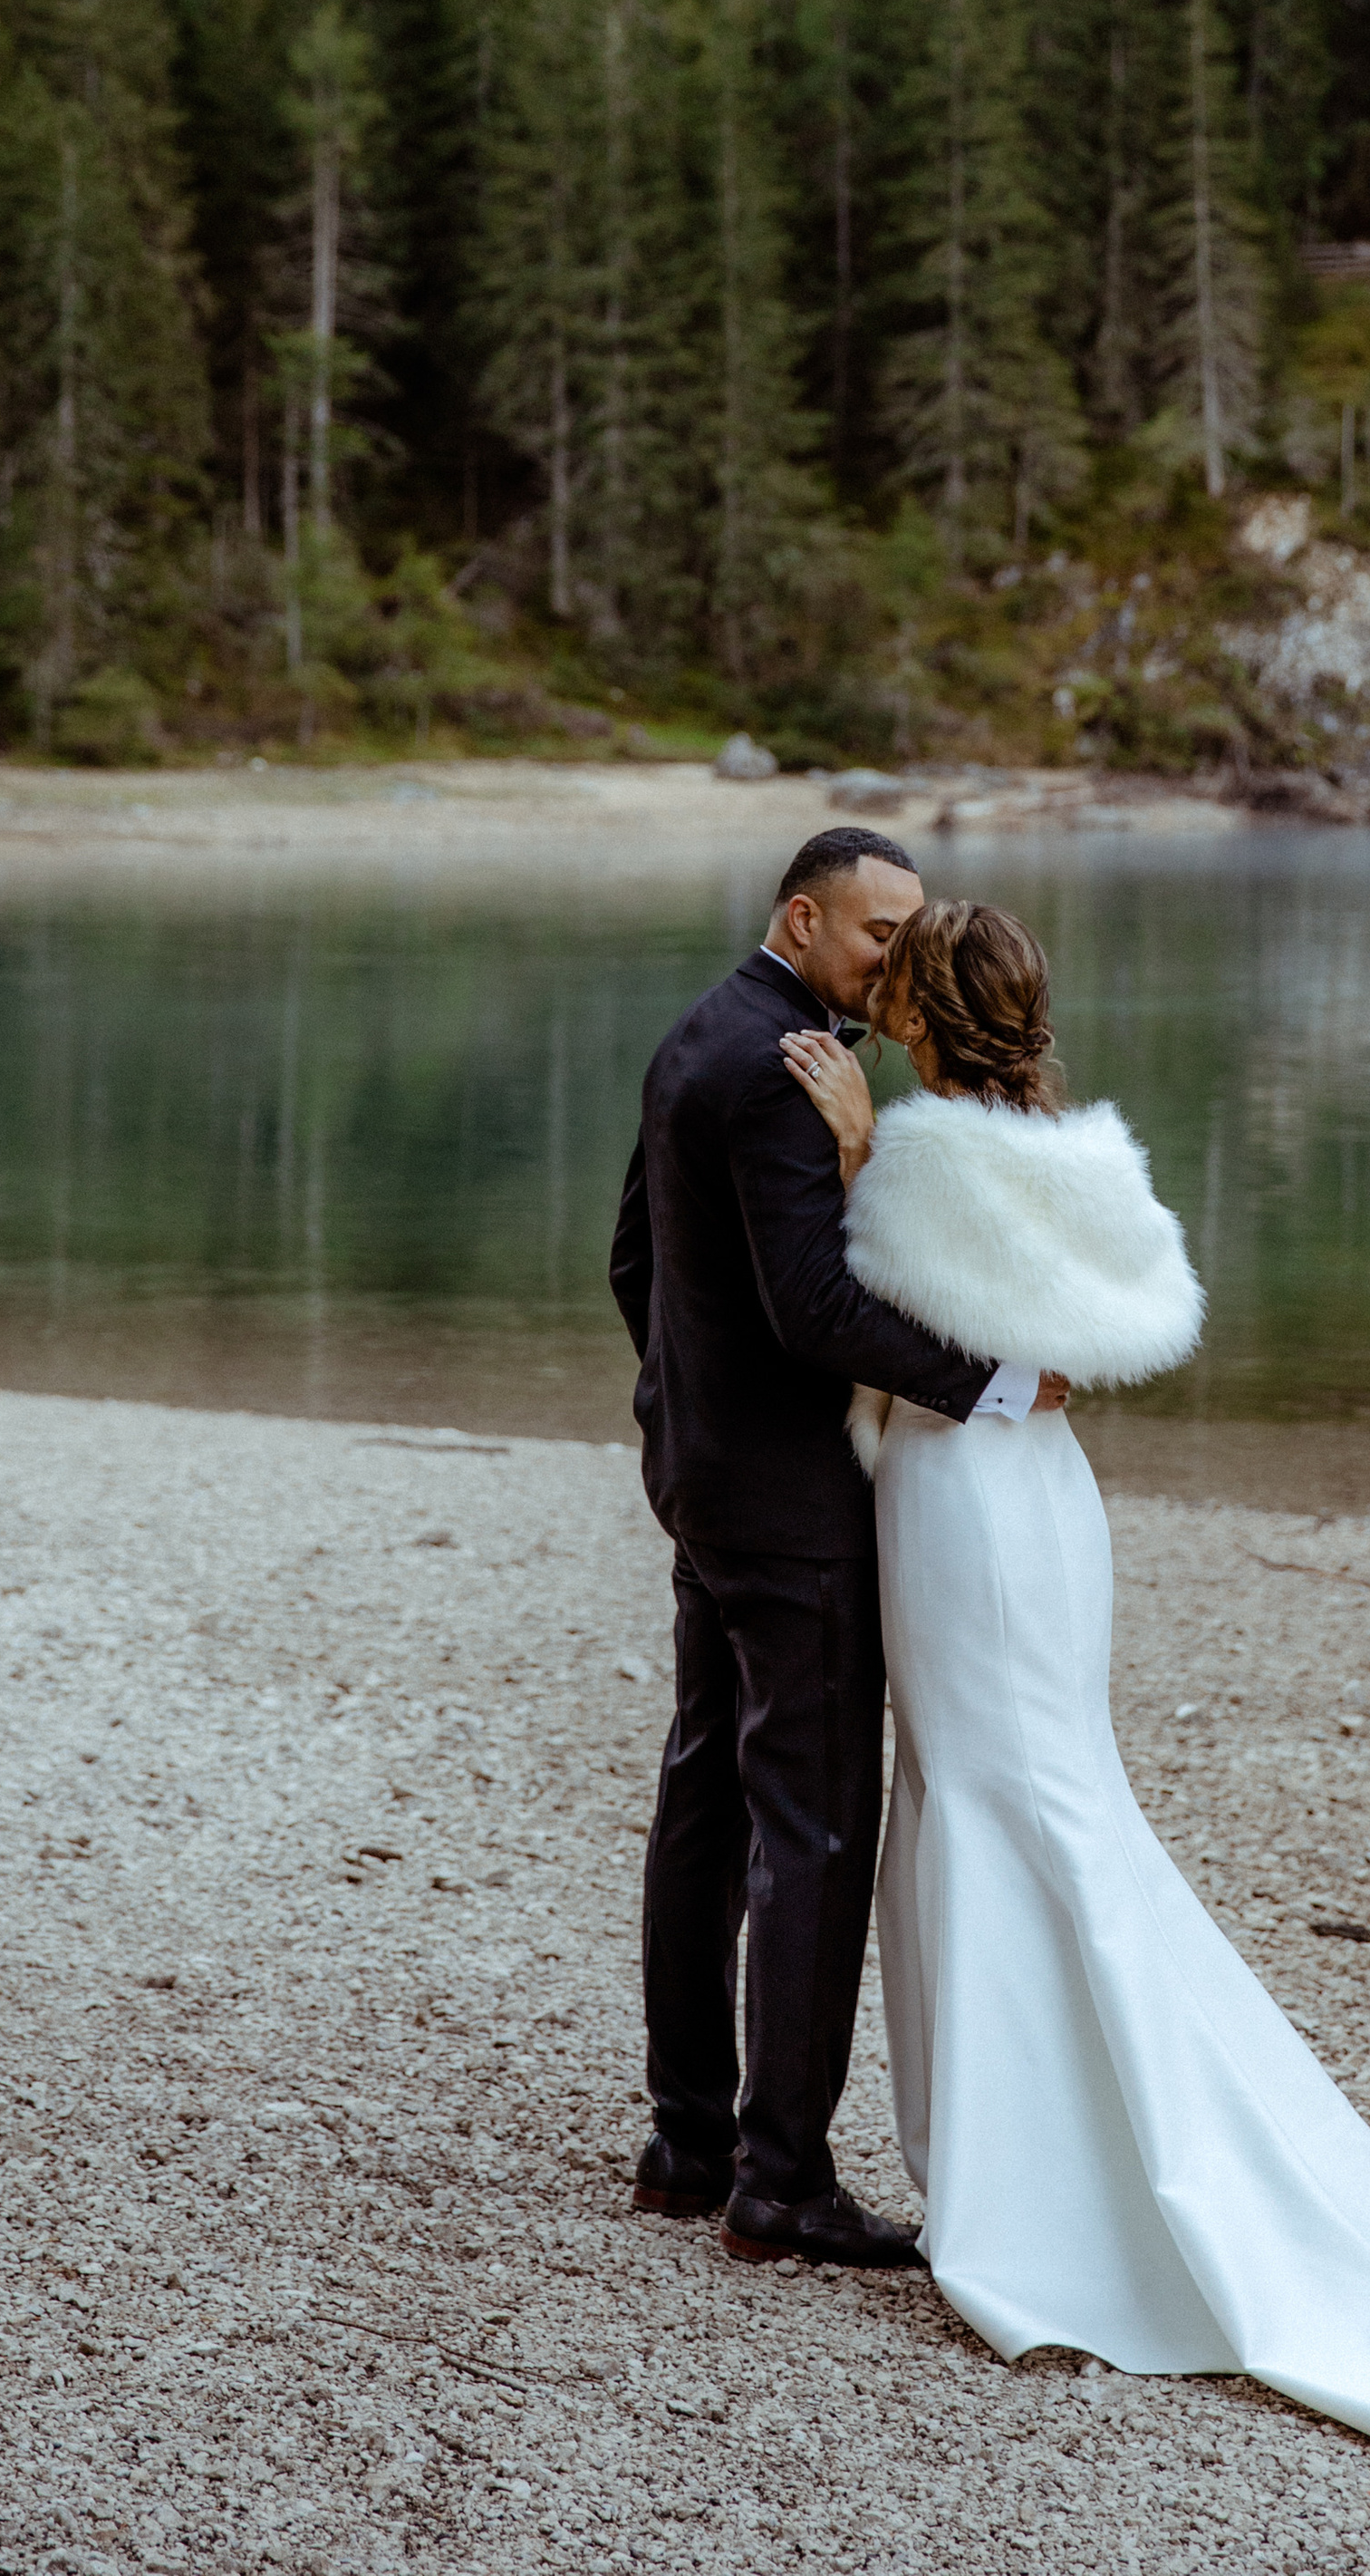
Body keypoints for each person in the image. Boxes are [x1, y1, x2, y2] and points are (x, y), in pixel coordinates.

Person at [779, 897, 1370, 2467]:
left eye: (896, 980)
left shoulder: (921, 1154)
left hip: (962, 1502)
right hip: (1044, 1501)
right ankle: (1038, 2163)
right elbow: (1055, 1344)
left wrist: (853, 1151)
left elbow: (862, 1314)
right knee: (1040, 1801)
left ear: (921, 1010)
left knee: (995, 1810)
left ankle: (1021, 2201)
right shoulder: (1075, 1153)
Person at [607, 827, 1064, 2271]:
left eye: (916, 930)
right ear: (803, 919)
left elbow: (636, 1259)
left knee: (707, 1794)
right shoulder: (786, 1067)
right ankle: (783, 2180)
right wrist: (991, 1386)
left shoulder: (707, 1031)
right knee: (809, 1821)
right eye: (880, 933)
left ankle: (688, 2138)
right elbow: (814, 1309)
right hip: (789, 1501)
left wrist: (682, 1406)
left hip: (705, 1472)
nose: (903, 956)